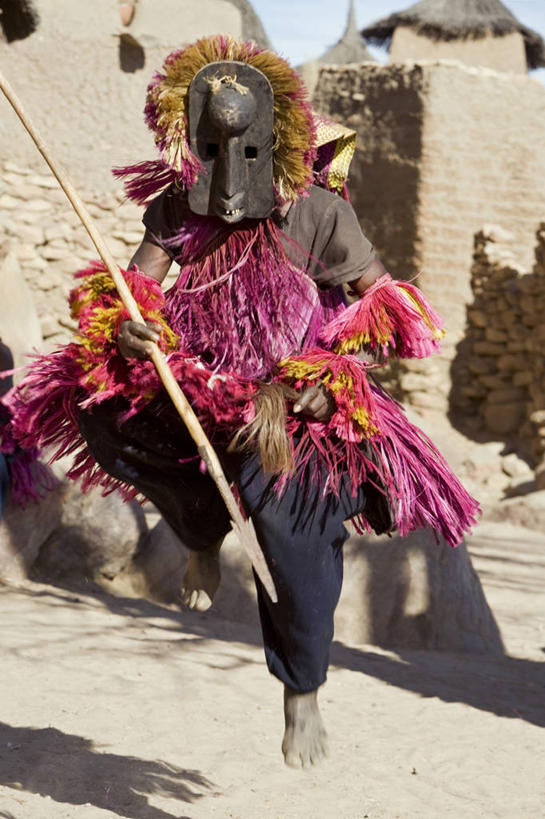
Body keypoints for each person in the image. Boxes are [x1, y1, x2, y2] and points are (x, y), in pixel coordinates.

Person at [2, 35, 479, 768]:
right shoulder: (174, 207)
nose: (228, 174)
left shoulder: (319, 215)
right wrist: (130, 329)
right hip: (194, 384)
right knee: (103, 412)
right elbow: (134, 290)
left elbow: (382, 307)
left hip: (292, 405)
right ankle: (198, 536)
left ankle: (301, 685)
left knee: (294, 529)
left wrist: (319, 377)